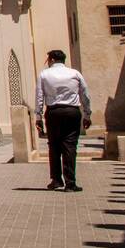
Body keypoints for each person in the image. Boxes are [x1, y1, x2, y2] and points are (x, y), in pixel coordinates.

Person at [35, 49, 91, 191]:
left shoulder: (44, 74)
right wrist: (87, 114)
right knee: (70, 147)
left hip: (53, 112)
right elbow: (85, 94)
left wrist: (38, 117)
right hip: (72, 112)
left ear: (52, 60)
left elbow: (39, 97)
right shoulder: (75, 73)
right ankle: (70, 183)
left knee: (54, 147)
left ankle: (56, 180)